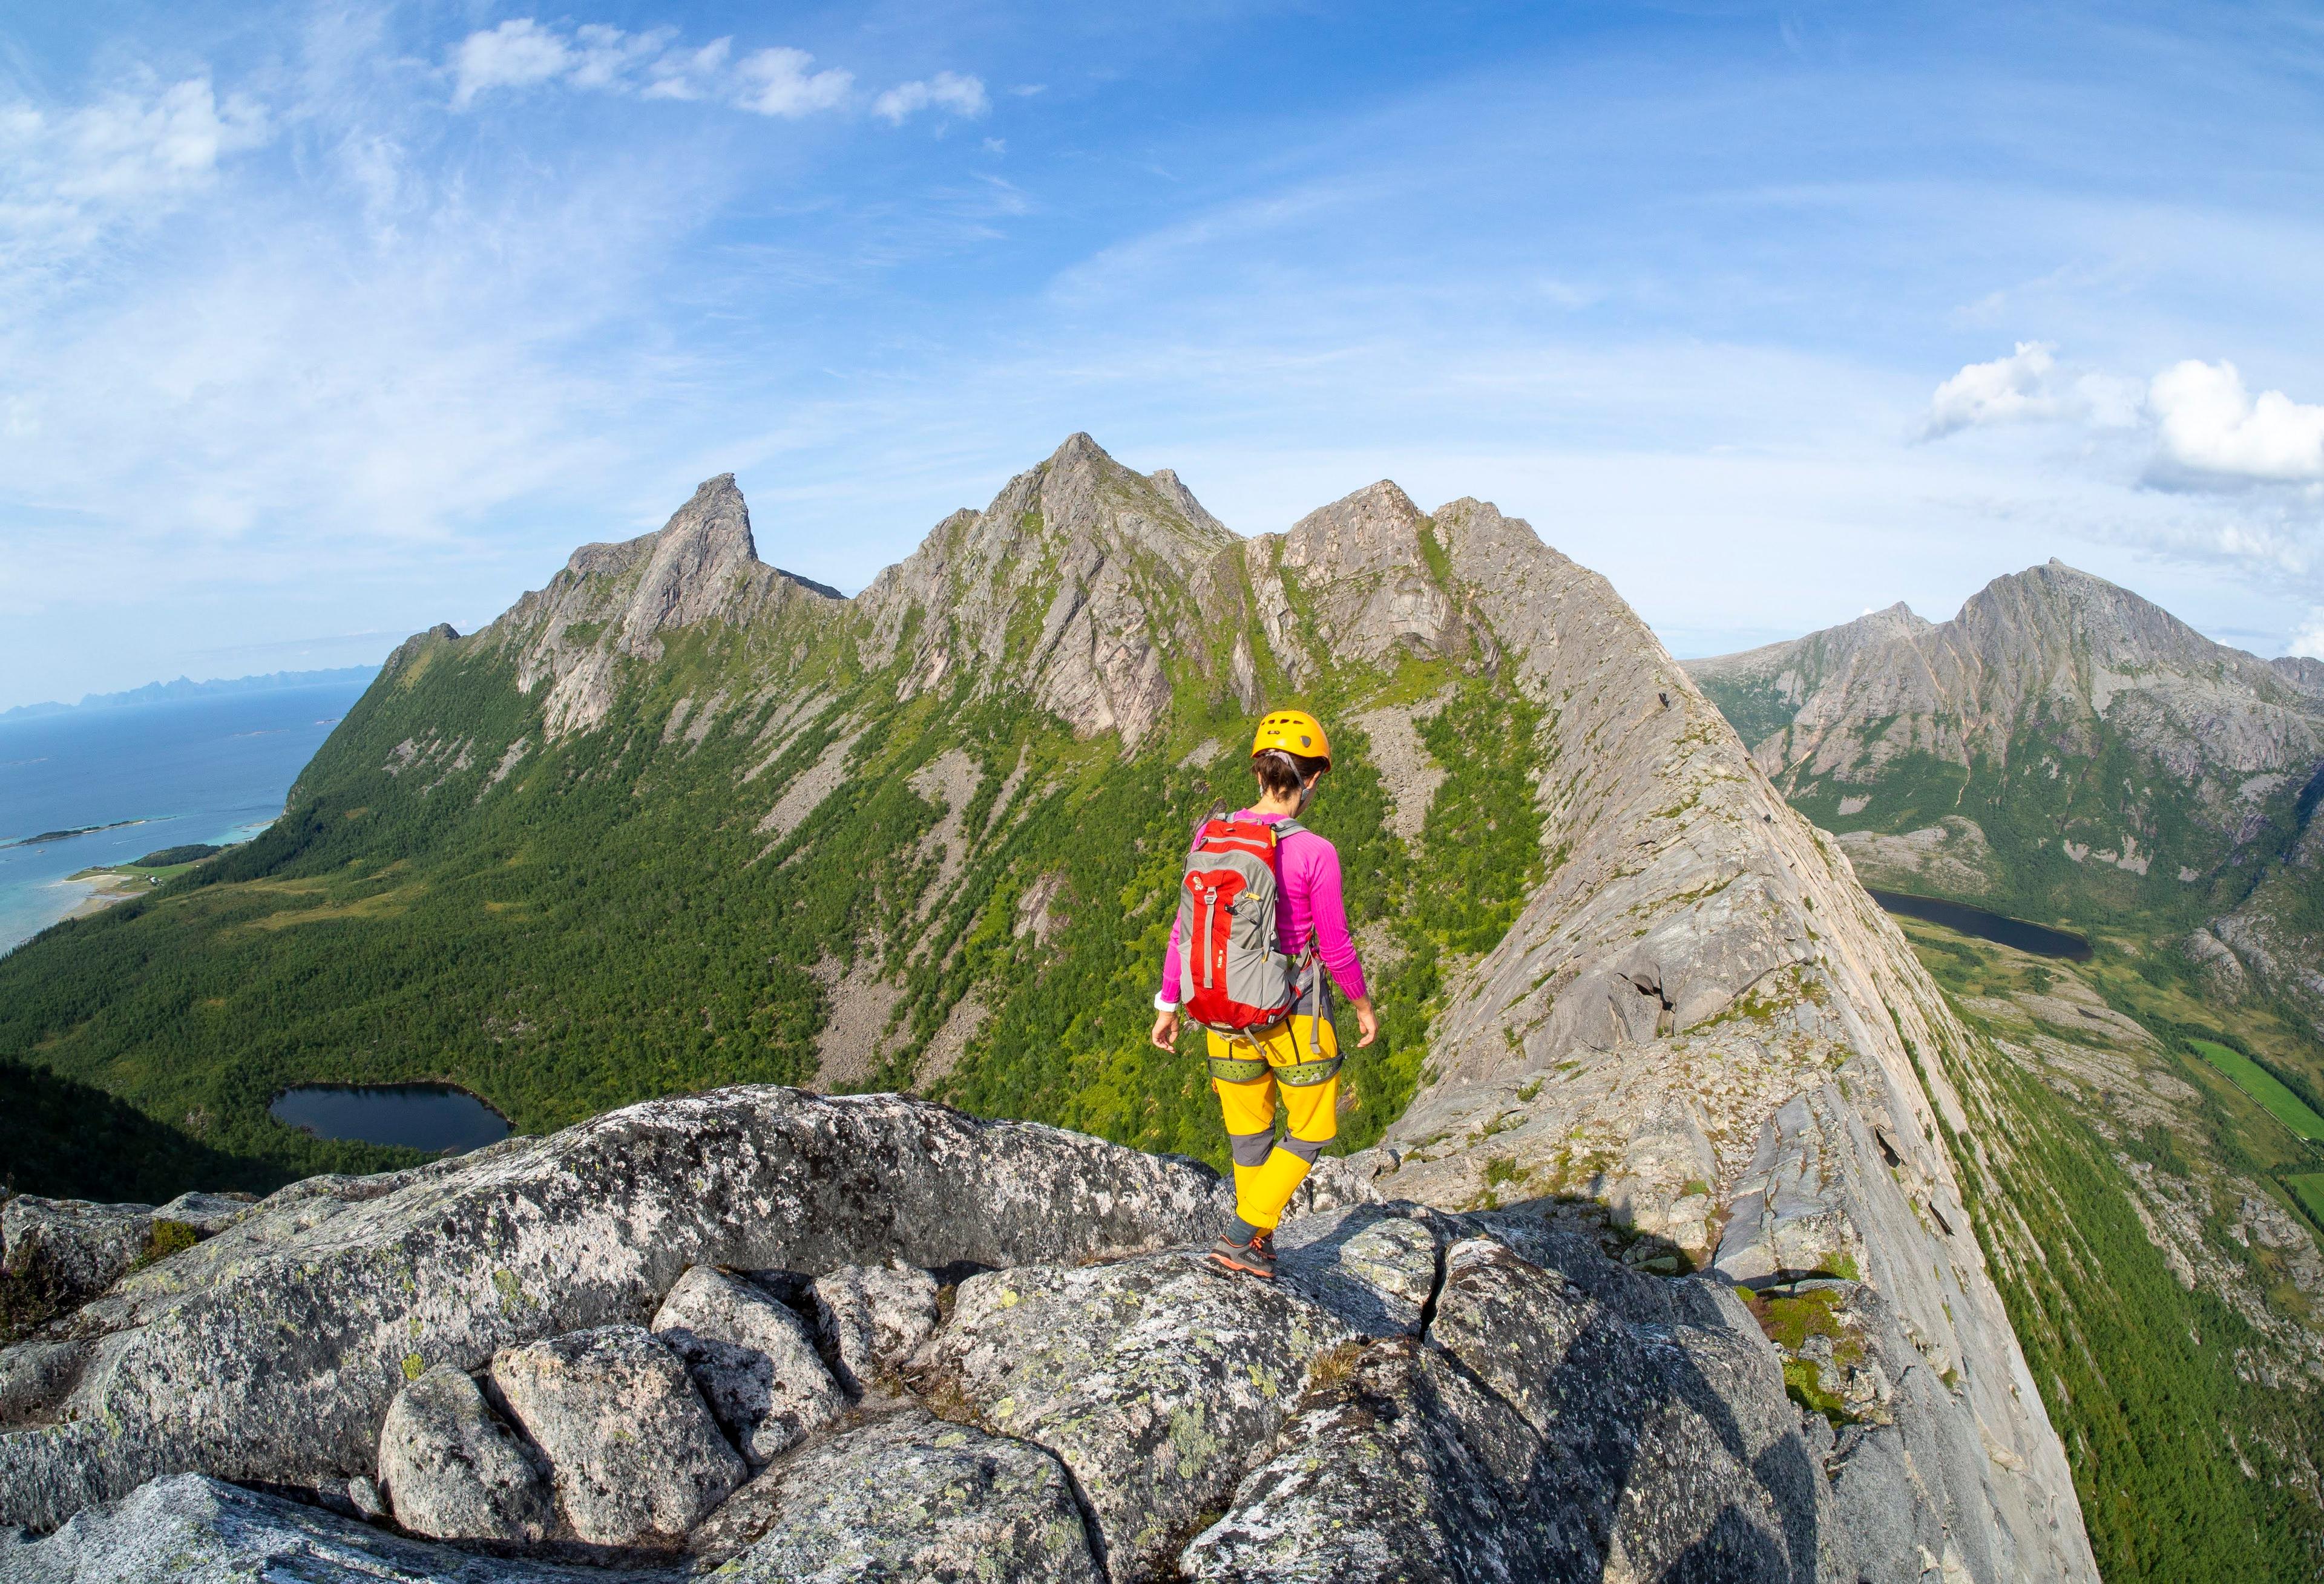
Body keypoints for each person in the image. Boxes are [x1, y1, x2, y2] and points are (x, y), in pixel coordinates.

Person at [1150, 709, 1378, 1278]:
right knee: (1314, 1128)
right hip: (1292, 1015)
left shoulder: (1212, 834)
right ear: (1314, 779)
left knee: (1250, 1136)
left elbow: (1185, 929)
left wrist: (1167, 1002)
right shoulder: (1314, 851)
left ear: (1258, 774)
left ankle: (1258, 1242)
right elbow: (1337, 943)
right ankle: (1242, 1234)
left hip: (1221, 1014)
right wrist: (1361, 1006)